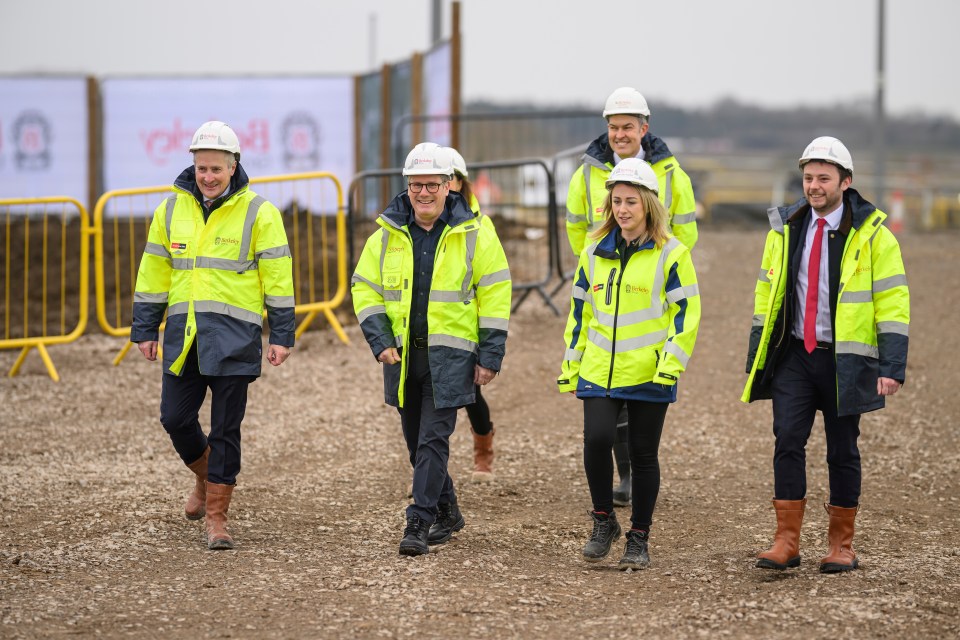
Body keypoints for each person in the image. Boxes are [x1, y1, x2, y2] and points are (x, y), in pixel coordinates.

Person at [742, 136, 909, 573]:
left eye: (823, 178)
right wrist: (757, 355)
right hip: (795, 355)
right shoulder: (785, 227)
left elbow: (892, 303)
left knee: (842, 450)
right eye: (808, 177)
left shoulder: (874, 236)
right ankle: (786, 541)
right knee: (787, 441)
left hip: (844, 360)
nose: (814, 186)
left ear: (845, 182)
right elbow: (767, 293)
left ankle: (841, 545)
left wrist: (891, 366)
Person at [131, 121, 295, 551]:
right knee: (174, 417)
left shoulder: (260, 213)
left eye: (216, 169)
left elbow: (279, 278)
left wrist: (281, 334)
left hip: (235, 337)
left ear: (234, 165)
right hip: (184, 336)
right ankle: (206, 478)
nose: (208, 176)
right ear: (193, 165)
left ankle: (218, 518)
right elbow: (153, 273)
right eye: (201, 168)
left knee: (226, 429)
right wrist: (146, 327)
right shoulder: (169, 211)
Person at [352, 142, 511, 556]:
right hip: (403, 358)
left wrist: (490, 356)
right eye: (416, 185)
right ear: (407, 187)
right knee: (414, 444)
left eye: (432, 185)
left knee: (432, 442)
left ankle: (418, 522)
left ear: (448, 187)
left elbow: (495, 295)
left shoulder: (475, 233)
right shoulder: (387, 233)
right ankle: (449, 511)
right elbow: (364, 287)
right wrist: (380, 340)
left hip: (451, 357)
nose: (424, 193)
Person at [558, 158, 700, 569]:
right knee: (597, 440)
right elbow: (579, 314)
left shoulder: (672, 254)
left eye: (631, 202)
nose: (622, 209)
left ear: (649, 205)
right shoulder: (592, 253)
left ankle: (639, 536)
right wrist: (572, 363)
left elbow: (686, 314)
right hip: (599, 369)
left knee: (642, 454)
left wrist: (671, 364)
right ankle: (604, 521)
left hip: (650, 371)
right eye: (616, 201)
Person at [566, 87, 699, 508]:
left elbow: (687, 230)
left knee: (633, 391)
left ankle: (628, 475)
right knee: (607, 396)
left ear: (644, 128)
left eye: (627, 127)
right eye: (613, 127)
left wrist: (658, 269)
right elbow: (575, 225)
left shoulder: (672, 174)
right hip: (605, 276)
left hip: (653, 280)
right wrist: (598, 263)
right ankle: (619, 481)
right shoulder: (587, 173)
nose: (619, 134)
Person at [447, 146, 497, 482]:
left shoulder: (481, 226)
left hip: (465, 325)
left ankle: (483, 450)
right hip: (429, 326)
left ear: (462, 183)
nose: (444, 184)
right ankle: (429, 470)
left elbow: (491, 283)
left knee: (469, 394)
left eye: (449, 178)